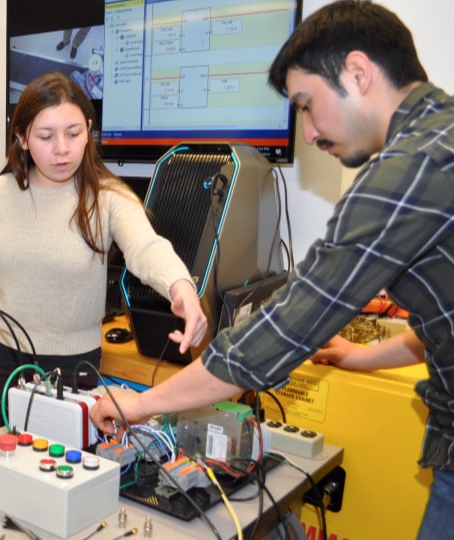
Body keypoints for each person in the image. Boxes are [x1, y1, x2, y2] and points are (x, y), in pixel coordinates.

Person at [89, 2, 454, 537]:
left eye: (306, 105)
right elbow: (440, 318)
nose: (306, 133)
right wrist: (362, 357)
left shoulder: (408, 171)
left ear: (358, 72)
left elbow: (274, 337)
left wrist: (138, 404)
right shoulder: (440, 137)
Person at [0, 71, 208, 432]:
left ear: (89, 130)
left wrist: (181, 287)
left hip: (73, 368)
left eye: (74, 134)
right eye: (46, 136)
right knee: (2, 471)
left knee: (64, 477)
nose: (62, 148)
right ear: (22, 138)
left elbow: (147, 247)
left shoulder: (108, 197)